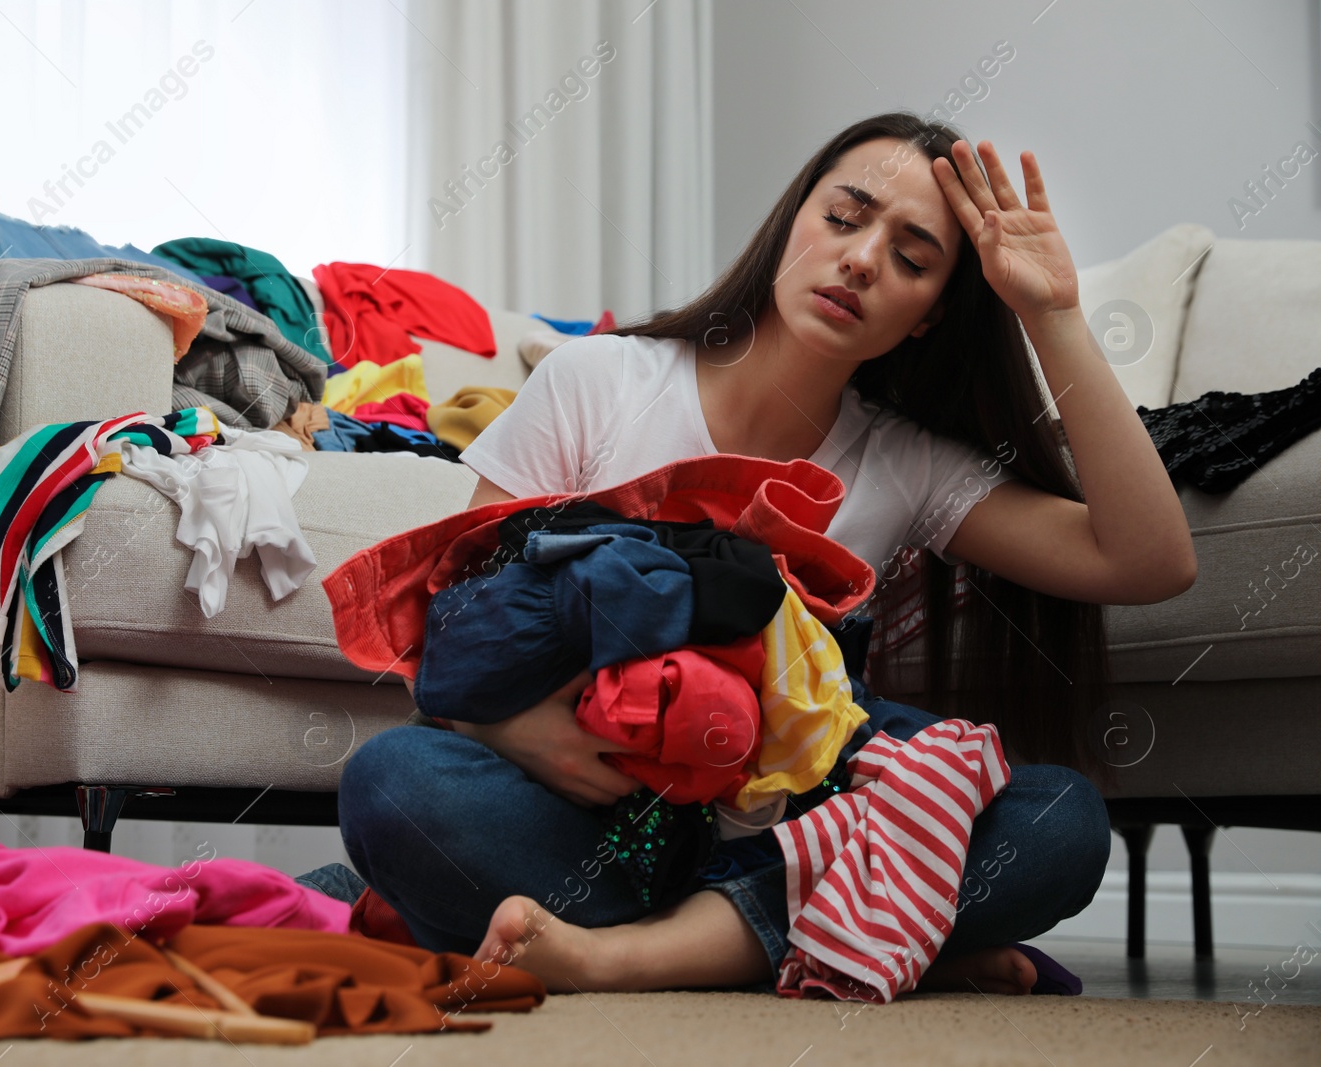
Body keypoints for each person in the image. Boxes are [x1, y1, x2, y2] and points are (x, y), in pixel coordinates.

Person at [316, 112, 1197, 997]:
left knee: (1061, 820)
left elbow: (1147, 562)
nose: (860, 260)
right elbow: (449, 630)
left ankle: (623, 959)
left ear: (929, 316)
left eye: (912, 259)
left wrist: (1054, 315)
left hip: (790, 830)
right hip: (597, 824)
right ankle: (854, 939)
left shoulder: (907, 463)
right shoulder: (599, 382)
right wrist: (513, 730)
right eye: (844, 218)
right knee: (392, 783)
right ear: (791, 222)